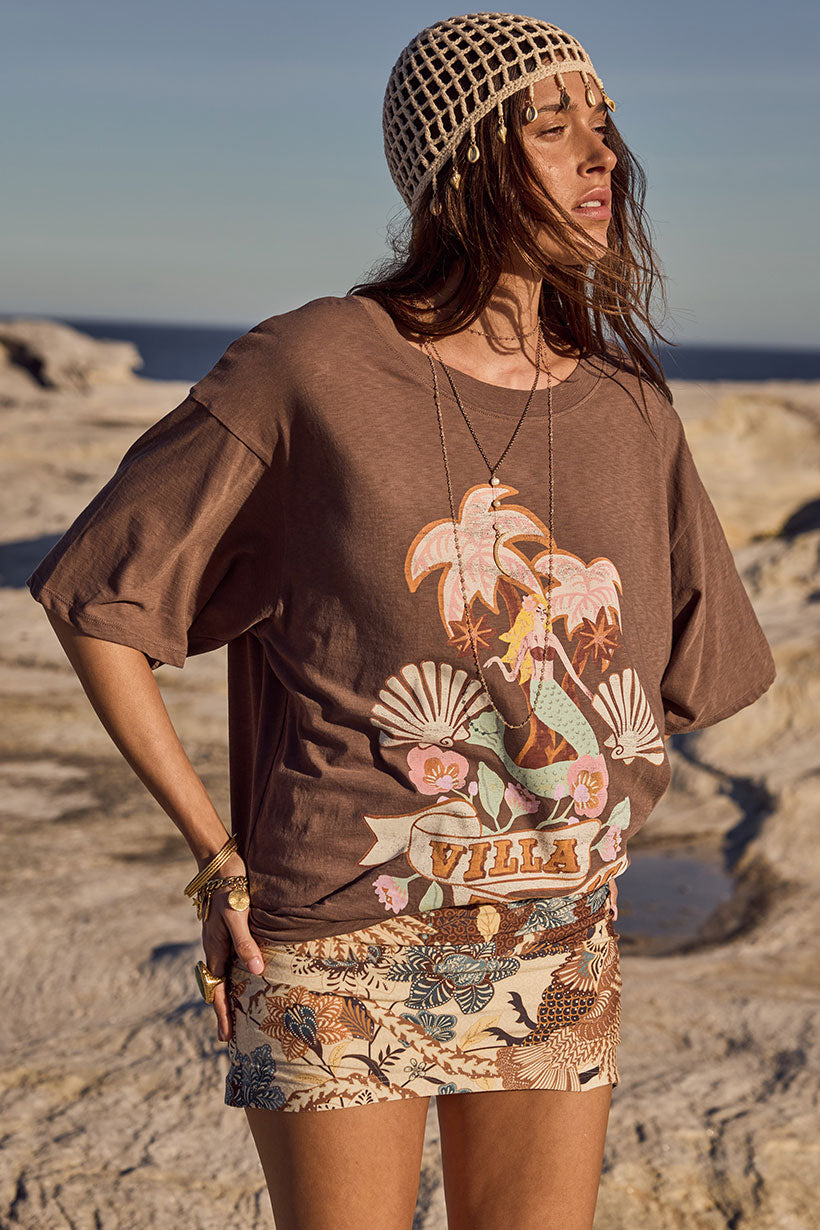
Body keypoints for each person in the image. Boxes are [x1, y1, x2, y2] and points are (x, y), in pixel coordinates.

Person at [27, 13, 777, 1230]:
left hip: (558, 929)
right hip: (336, 934)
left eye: (606, 124)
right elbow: (99, 598)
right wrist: (214, 862)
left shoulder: (631, 408)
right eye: (553, 124)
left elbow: (684, 672)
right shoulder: (312, 366)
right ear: (465, 162)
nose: (600, 155)